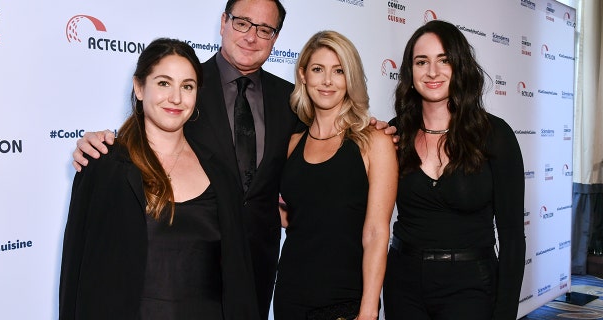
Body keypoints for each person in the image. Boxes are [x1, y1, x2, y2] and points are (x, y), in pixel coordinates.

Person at [70, 1, 392, 318]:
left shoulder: (290, 101)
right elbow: (147, 130)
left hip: (264, 273)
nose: (252, 36)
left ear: (276, 38)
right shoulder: (188, 84)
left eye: (265, 29)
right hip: (184, 270)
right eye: (242, 23)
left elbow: (326, 159)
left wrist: (372, 127)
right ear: (223, 22)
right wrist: (98, 142)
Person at [59, 38, 259, 320]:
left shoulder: (222, 174)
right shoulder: (104, 165)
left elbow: (239, 281)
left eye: (187, 86)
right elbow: (76, 272)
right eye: (164, 83)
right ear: (139, 87)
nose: (176, 98)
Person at [382, 20, 525, 320]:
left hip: (471, 287)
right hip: (403, 284)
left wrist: (505, 312)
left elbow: (512, 236)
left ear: (460, 66)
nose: (432, 72)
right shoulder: (394, 135)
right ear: (410, 73)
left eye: (443, 60)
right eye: (422, 62)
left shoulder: (494, 134)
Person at [273, 31, 398, 320]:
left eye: (339, 71)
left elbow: (377, 233)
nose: (327, 81)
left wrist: (369, 308)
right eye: (318, 69)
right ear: (303, 75)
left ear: (350, 78)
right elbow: (298, 215)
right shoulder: (292, 144)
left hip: (345, 298)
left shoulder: (373, 142)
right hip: (291, 295)